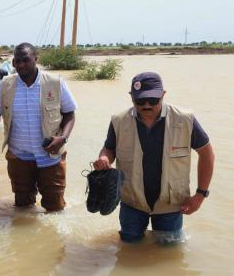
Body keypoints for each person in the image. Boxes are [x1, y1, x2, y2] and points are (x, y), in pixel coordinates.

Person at [92, 72, 215, 243]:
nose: (147, 105)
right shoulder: (118, 120)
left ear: (163, 95)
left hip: (171, 204)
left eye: (153, 100)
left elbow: (207, 154)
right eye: (140, 101)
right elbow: (109, 148)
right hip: (132, 201)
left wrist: (200, 195)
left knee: (169, 251)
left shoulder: (185, 120)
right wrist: (104, 158)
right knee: (129, 246)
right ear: (131, 97)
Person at [0, 42, 77, 212]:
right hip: (19, 158)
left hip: (50, 156)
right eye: (17, 61)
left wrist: (63, 138)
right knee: (23, 207)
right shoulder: (6, 84)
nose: (21, 65)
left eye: (25, 60)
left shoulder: (54, 82)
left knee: (55, 207)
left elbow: (70, 113)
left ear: (36, 59)